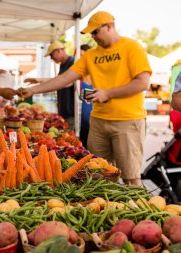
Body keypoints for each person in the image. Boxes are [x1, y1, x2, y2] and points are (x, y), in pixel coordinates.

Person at [21, 11, 152, 186]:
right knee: (97, 174)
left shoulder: (132, 47)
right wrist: (33, 90)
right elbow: (64, 79)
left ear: (109, 26)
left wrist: (107, 93)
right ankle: (108, 209)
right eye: (91, 33)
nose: (93, 37)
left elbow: (143, 83)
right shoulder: (91, 56)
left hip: (127, 121)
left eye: (96, 32)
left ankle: (138, 212)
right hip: (98, 121)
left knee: (130, 176)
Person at [25, 41, 75, 129]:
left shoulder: (72, 62)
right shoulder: (63, 65)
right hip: (64, 109)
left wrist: (35, 87)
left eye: (52, 55)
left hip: (71, 110)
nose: (51, 58)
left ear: (58, 51)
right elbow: (58, 80)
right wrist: (39, 80)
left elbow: (65, 82)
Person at [79, 44, 92, 148]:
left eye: (83, 55)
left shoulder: (98, 76)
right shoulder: (80, 76)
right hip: (82, 123)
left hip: (95, 122)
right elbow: (63, 79)